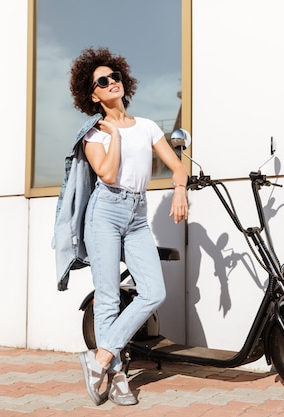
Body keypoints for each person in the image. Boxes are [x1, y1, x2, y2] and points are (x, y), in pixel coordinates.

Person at [68, 47, 188, 406]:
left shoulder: (149, 126)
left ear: (123, 80)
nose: (111, 83)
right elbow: (105, 173)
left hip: (137, 215)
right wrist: (115, 136)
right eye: (102, 82)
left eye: (114, 76)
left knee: (153, 292)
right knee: (107, 298)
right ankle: (117, 375)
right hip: (104, 212)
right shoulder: (93, 134)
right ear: (93, 94)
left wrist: (179, 189)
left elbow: (176, 166)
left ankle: (100, 358)